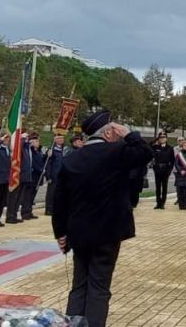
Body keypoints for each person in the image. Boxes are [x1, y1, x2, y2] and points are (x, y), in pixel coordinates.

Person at [52, 111, 153, 327]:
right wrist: (129, 134)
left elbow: (59, 200)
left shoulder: (72, 158)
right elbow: (145, 153)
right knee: (99, 287)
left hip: (78, 232)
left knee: (79, 286)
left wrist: (60, 233)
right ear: (108, 133)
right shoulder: (116, 152)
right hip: (108, 232)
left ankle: (73, 324)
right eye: (115, 130)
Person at [6, 131, 32, 224]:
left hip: (24, 176)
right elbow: (18, 148)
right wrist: (21, 139)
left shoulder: (26, 148)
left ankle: (14, 214)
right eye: (25, 138)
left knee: (19, 198)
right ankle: (10, 215)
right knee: (13, 197)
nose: (27, 140)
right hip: (18, 175)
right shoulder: (20, 148)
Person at [151, 132, 175, 209]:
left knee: (164, 187)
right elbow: (148, 146)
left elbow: (172, 160)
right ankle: (158, 203)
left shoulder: (170, 148)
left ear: (166, 139)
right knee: (158, 187)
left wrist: (170, 170)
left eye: (163, 137)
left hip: (165, 169)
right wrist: (156, 139)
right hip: (157, 169)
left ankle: (163, 203)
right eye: (160, 137)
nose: (162, 138)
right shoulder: (155, 147)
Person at [22, 136, 44, 220]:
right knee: (27, 195)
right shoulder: (30, 152)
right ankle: (25, 212)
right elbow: (33, 163)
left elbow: (42, 162)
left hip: (38, 177)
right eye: (35, 141)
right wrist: (41, 169)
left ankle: (29, 211)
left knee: (32, 195)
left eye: (38, 141)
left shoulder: (38, 151)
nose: (38, 143)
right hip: (32, 176)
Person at [44, 134, 65, 215]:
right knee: (51, 193)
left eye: (62, 138)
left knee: (59, 193)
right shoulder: (51, 149)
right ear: (55, 140)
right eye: (59, 138)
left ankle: (56, 208)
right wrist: (48, 176)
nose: (61, 140)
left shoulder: (63, 149)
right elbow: (48, 164)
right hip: (53, 175)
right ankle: (49, 209)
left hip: (61, 175)